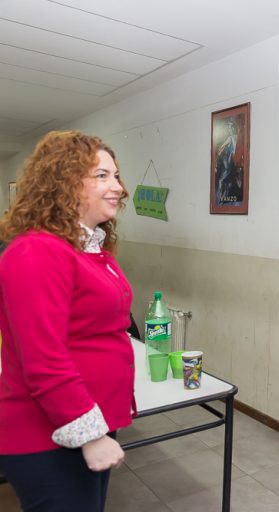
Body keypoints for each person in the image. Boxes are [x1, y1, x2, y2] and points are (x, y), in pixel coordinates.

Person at [0, 131, 135, 512]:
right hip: (47, 436)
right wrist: (90, 436)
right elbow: (44, 360)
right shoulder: (36, 250)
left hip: (87, 422)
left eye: (116, 176)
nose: (118, 187)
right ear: (65, 182)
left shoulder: (87, 249)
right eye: (102, 176)